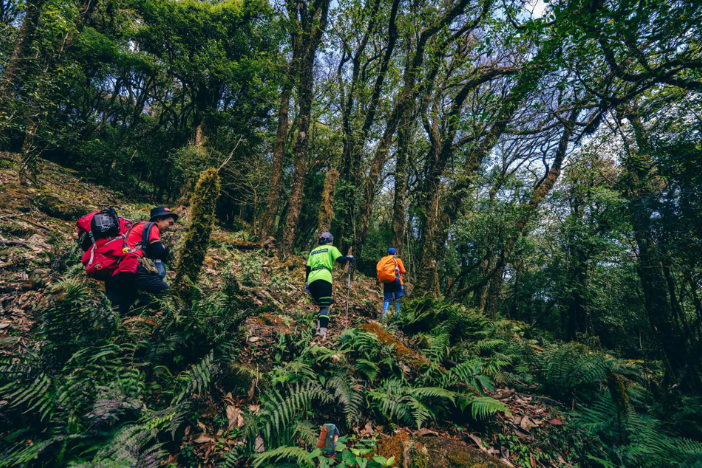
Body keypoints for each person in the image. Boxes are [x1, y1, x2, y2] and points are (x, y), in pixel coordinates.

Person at [105, 206, 178, 314]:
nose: (170, 227)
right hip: (135, 268)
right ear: (158, 219)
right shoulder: (152, 226)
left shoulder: (139, 228)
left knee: (115, 309)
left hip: (119, 271)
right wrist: (165, 249)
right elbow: (159, 251)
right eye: (169, 223)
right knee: (167, 293)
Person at [305, 232, 354, 340]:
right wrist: (349, 257)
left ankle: (318, 330)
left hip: (312, 280)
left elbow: (308, 268)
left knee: (321, 306)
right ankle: (322, 333)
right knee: (325, 306)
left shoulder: (313, 251)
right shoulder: (331, 249)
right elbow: (340, 260)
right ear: (330, 241)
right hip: (324, 278)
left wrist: (307, 283)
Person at [377, 247, 406, 319]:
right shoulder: (398, 260)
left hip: (387, 281)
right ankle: (398, 318)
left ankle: (384, 317)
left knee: (387, 299)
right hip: (397, 281)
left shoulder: (384, 260)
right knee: (398, 299)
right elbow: (403, 271)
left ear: (388, 254)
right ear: (395, 253)